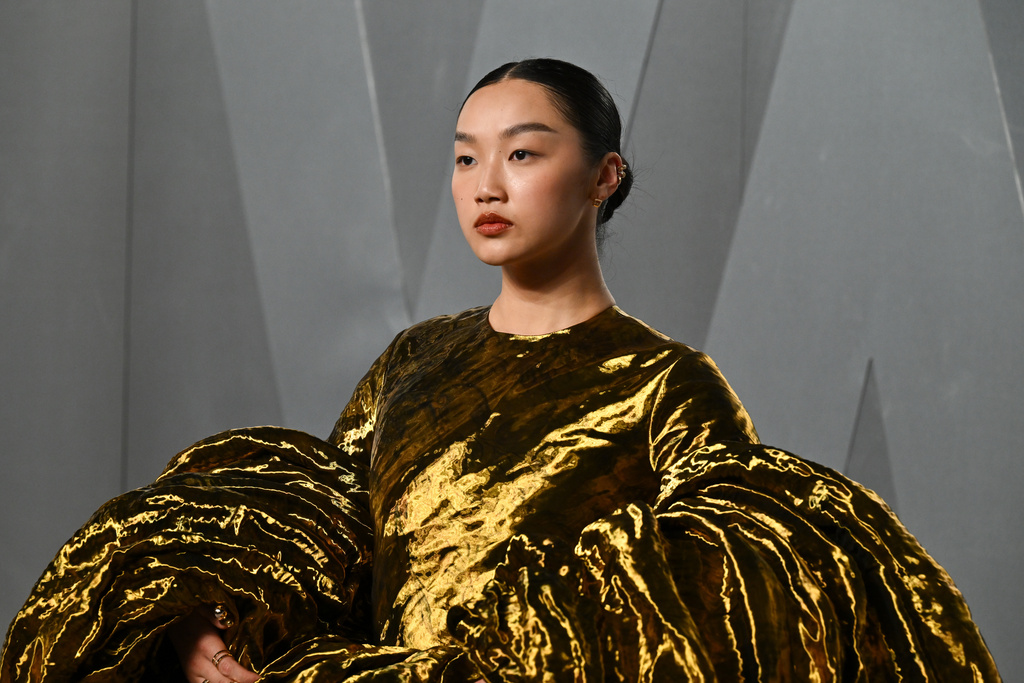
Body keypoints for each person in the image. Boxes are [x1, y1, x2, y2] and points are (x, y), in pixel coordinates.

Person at [0, 58, 1000, 682]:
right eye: (464, 156)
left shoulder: (666, 382)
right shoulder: (415, 359)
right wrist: (201, 620)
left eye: (522, 154)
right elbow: (327, 536)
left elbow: (720, 600)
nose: (485, 184)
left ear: (603, 175)